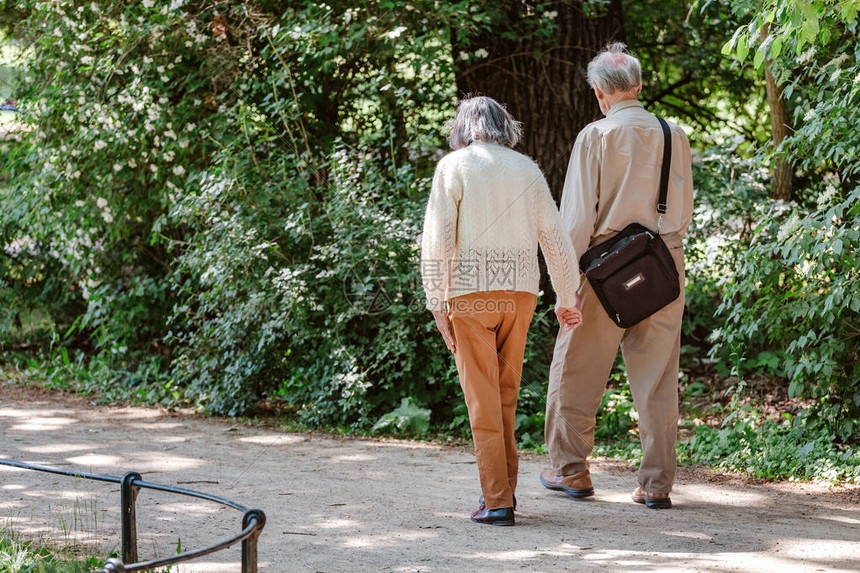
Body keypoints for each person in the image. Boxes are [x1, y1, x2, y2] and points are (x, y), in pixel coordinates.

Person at [541, 43, 694, 509]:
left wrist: (565, 288)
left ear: (598, 92)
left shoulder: (596, 135)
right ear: (640, 87)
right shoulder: (676, 135)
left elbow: (575, 221)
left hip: (604, 269)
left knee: (577, 371)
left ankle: (571, 471)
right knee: (658, 379)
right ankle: (656, 485)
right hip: (664, 265)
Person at [420, 96, 583, 526]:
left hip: (471, 296)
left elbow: (438, 238)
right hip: (521, 295)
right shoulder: (526, 168)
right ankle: (502, 494)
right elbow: (554, 236)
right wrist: (567, 297)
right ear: (504, 126)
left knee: (482, 404)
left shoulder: (453, 167)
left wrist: (437, 300)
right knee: (505, 399)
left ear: (464, 127)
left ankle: (496, 502)